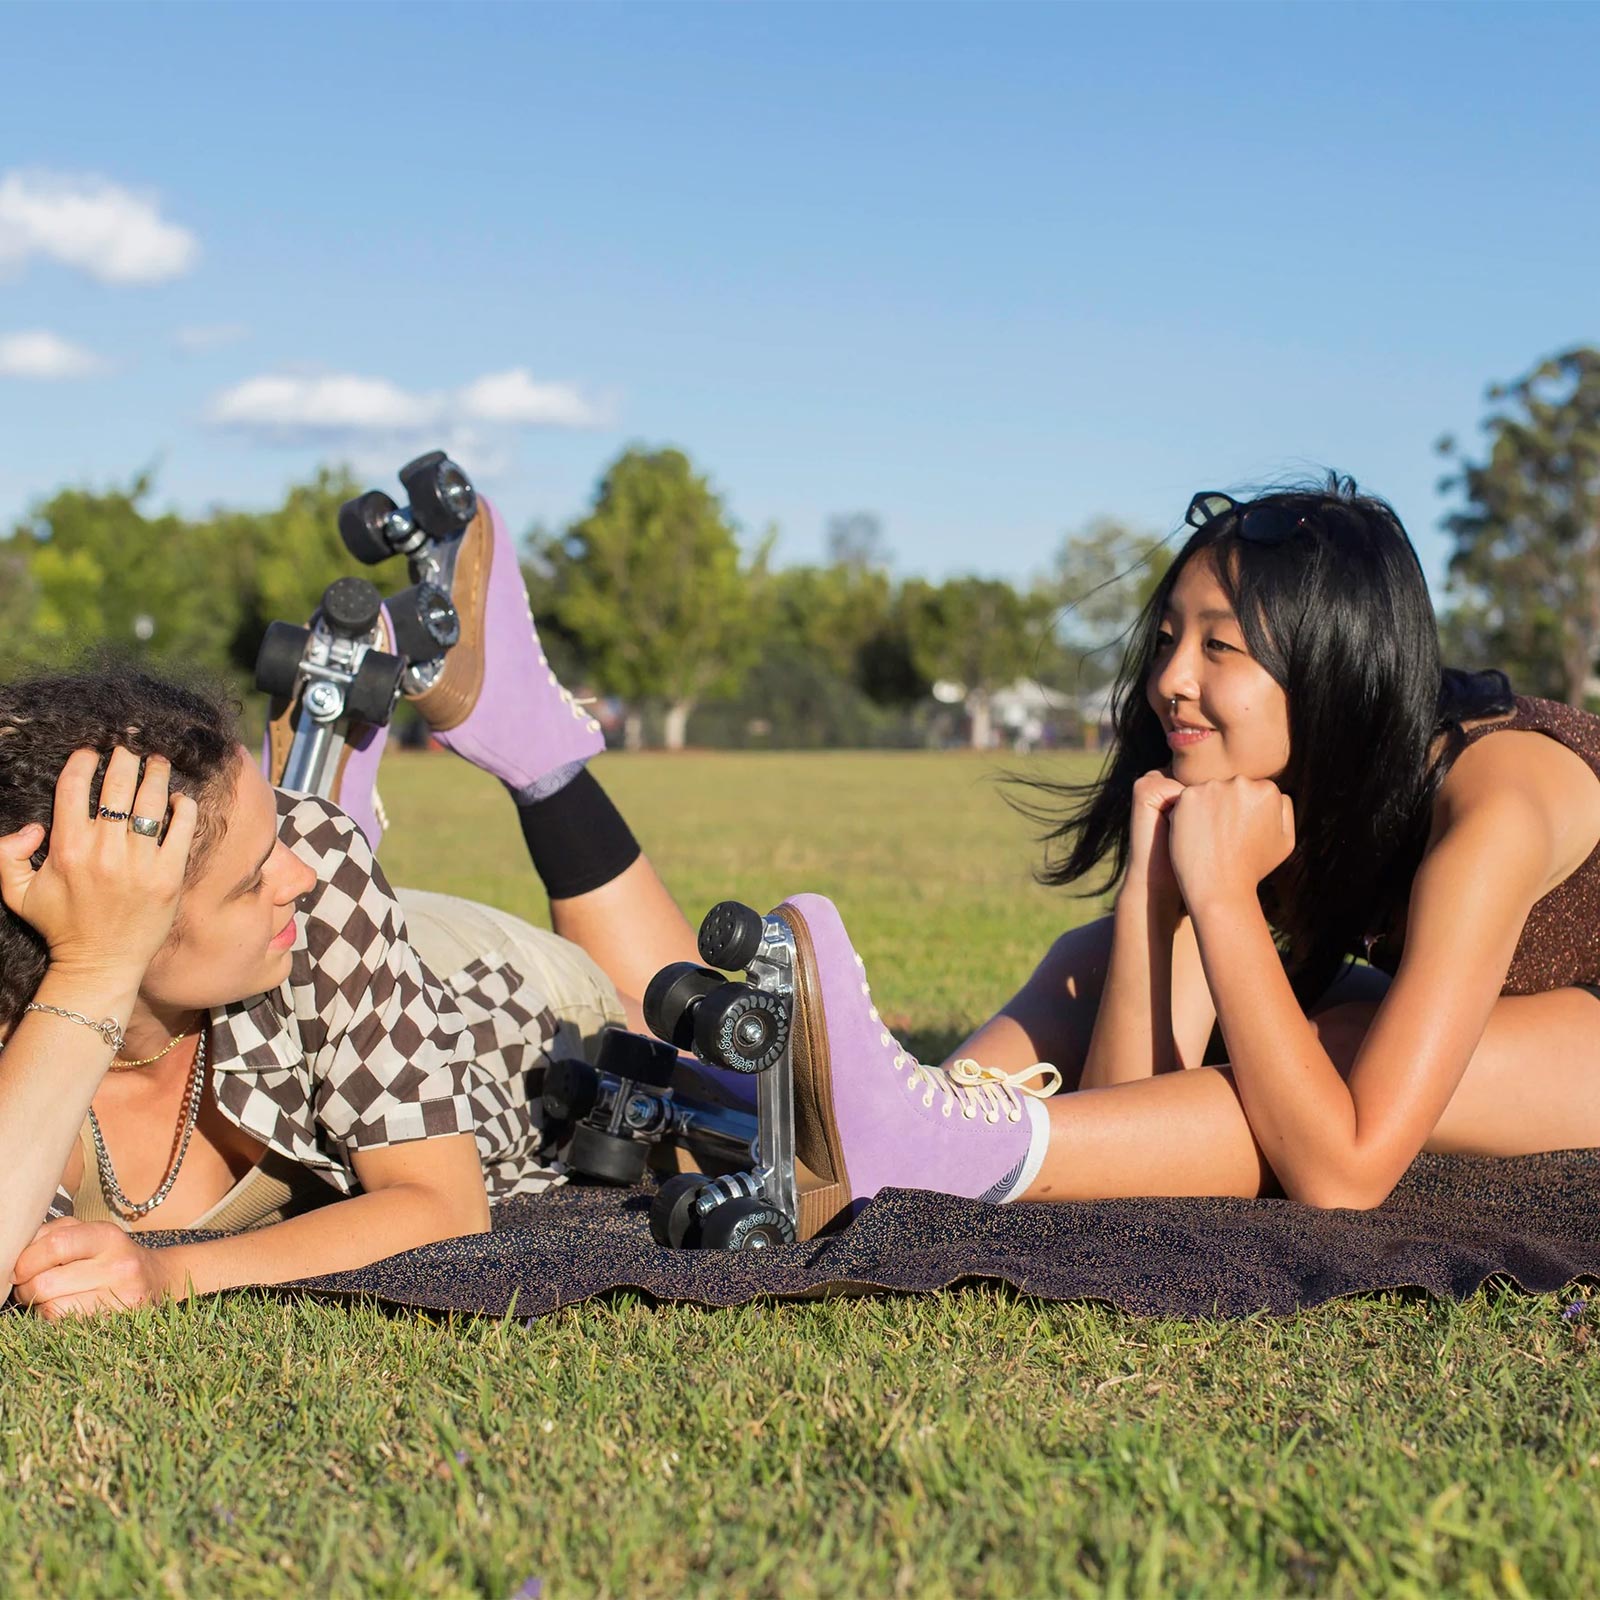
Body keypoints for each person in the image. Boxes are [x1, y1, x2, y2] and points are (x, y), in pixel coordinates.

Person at [759, 479, 1600, 1232]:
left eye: (1219, 648)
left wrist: (1225, 897)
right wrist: (1152, 908)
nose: (1170, 679)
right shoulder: (1274, 771)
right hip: (1516, 1019)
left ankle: (929, 1148)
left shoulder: (1492, 814)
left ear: (1327, 666)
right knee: (1093, 958)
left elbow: (1347, 1168)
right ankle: (889, 1118)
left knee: (1334, 1054)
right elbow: (1121, 1110)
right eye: (1166, 640)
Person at [0, 492, 710, 1316]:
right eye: (251, 872)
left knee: (686, 1040)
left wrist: (171, 1274)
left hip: (494, 994)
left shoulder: (318, 873)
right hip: (327, 968)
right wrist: (93, 974)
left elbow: (442, 1205)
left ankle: (539, 752)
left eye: (273, 843)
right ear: (125, 918)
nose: (293, 873)